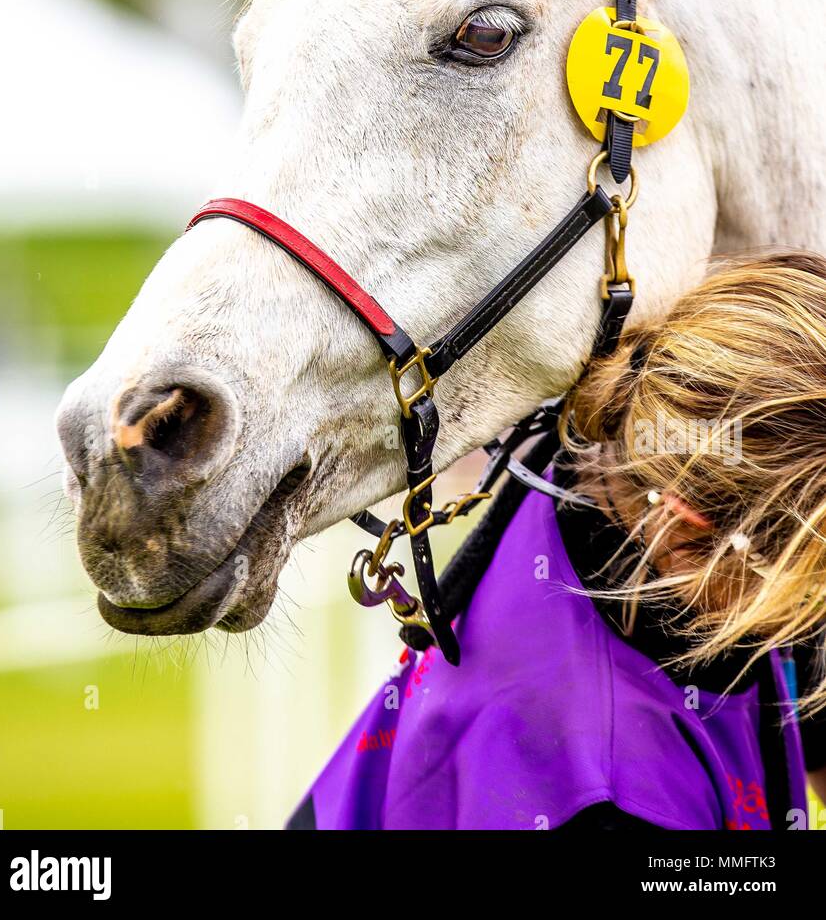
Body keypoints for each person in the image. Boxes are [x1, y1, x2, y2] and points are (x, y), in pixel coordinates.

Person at [287, 252, 826, 830]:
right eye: (811, 584)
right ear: (688, 527)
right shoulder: (610, 788)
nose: (810, 612)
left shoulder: (617, 463)